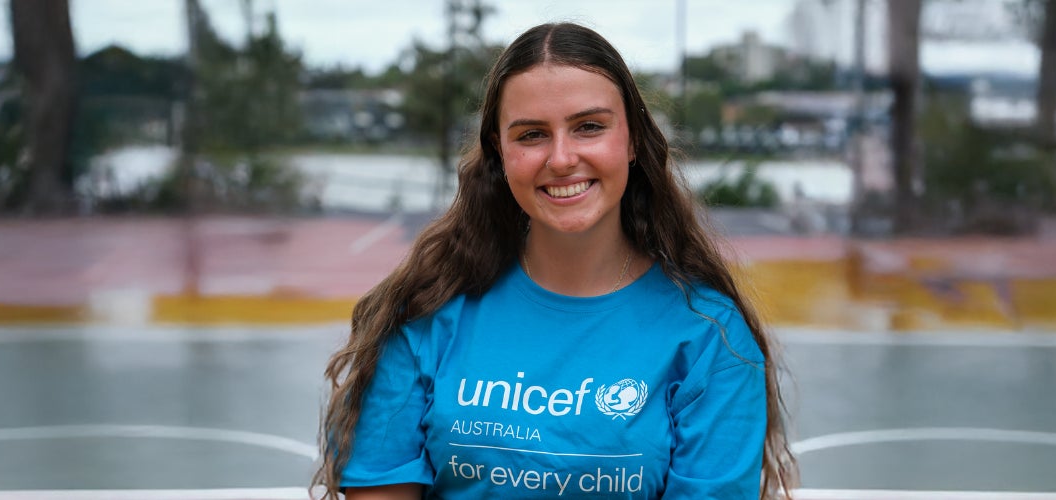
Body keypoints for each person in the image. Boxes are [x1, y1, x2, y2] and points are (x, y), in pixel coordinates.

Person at [314, 22, 796, 499]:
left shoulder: (712, 337)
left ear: (632, 140)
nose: (562, 159)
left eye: (589, 127)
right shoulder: (426, 311)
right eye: (531, 135)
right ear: (500, 152)